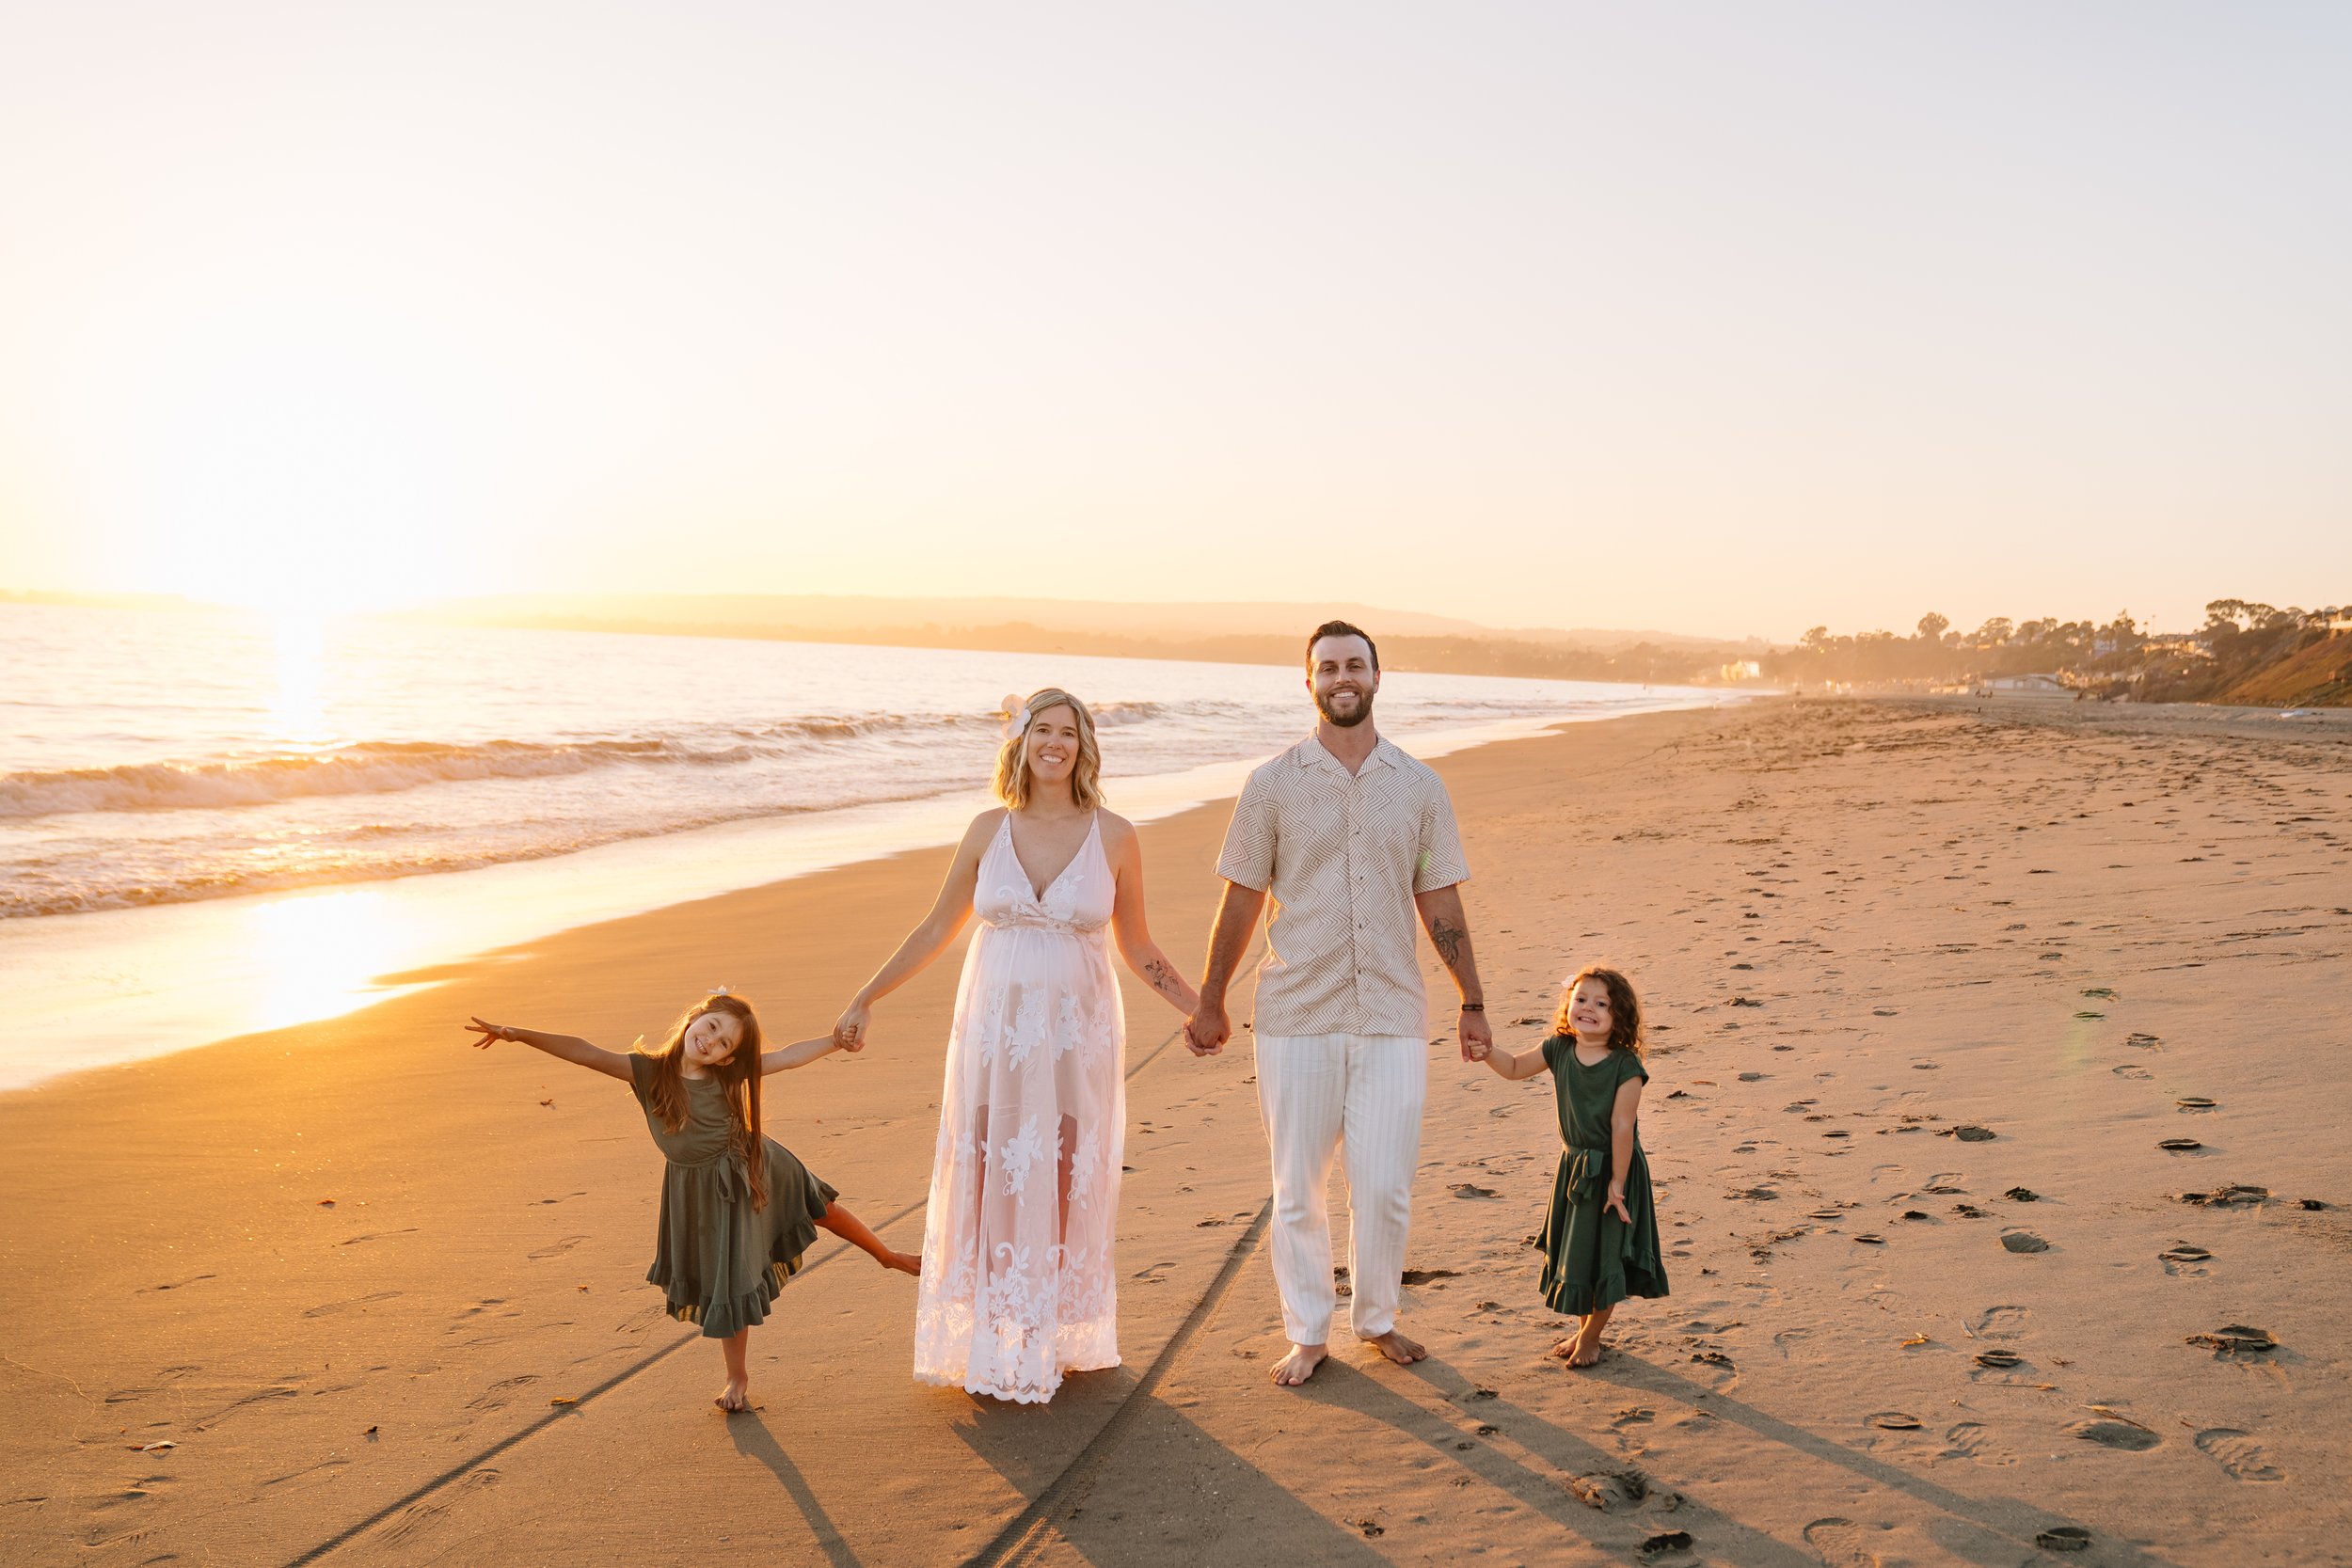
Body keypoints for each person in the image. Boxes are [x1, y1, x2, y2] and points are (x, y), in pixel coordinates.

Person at [834, 689, 1199, 1402]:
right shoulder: (986, 829)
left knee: (1062, 1167)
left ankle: (1046, 1328)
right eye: (1043, 731)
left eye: (1068, 732)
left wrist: (1199, 1008)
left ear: (1084, 745)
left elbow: (1138, 944)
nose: (1055, 744)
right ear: (1022, 740)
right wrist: (865, 995)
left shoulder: (1116, 835)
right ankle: (994, 1328)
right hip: (993, 1034)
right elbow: (936, 928)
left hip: (1076, 1033)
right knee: (988, 1163)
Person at [1184, 621, 1488, 1387]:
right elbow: (1241, 898)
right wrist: (1212, 999)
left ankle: (1377, 1316)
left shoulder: (1420, 786)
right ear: (1309, 682)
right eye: (1328, 667)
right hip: (1295, 1014)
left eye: (1355, 664)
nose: (1342, 677)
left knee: (1383, 1185)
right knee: (1299, 1188)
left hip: (1391, 1009)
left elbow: (1440, 899)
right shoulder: (1271, 784)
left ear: (1378, 677)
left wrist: (1472, 1001)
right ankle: (1308, 1329)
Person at [465, 991, 918, 1411]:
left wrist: (833, 1042)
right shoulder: (647, 1071)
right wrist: (517, 1033)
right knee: (729, 1278)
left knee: (821, 1209)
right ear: (695, 1017)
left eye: (724, 1043)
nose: (711, 1042)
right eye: (711, 1027)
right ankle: (737, 1378)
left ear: (729, 1057)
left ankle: (886, 1255)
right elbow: (584, 1050)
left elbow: (784, 1057)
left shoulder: (727, 1075)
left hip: (749, 1164)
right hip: (699, 1190)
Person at [1467, 965, 1668, 1365]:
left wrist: (1617, 1183)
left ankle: (1592, 1337)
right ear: (1568, 1005)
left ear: (1620, 1016)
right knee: (1578, 1255)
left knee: (1606, 1257)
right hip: (1574, 1169)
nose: (1587, 1008)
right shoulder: (1558, 1048)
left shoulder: (1625, 1066)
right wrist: (1488, 1053)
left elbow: (1622, 1126)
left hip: (1615, 1169)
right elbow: (1513, 1068)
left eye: (1601, 1003)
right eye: (1580, 999)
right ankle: (1582, 1330)